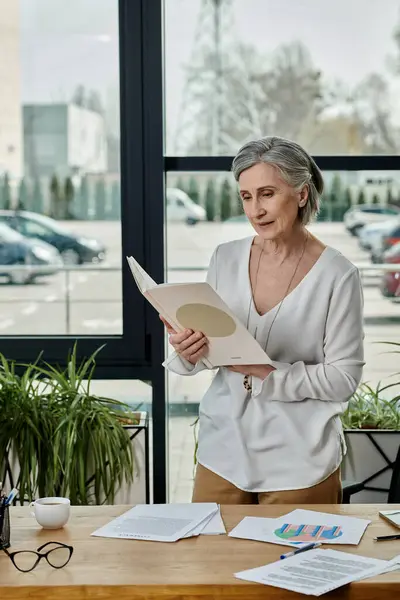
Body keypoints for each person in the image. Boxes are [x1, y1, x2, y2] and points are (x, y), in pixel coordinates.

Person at [162, 136, 364, 505]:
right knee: (211, 562)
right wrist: (189, 349)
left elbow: (343, 379)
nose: (256, 210)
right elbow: (213, 351)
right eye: (246, 196)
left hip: (300, 461)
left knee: (291, 564)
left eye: (267, 193)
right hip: (221, 453)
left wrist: (266, 370)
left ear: (302, 194)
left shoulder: (338, 275)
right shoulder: (225, 258)